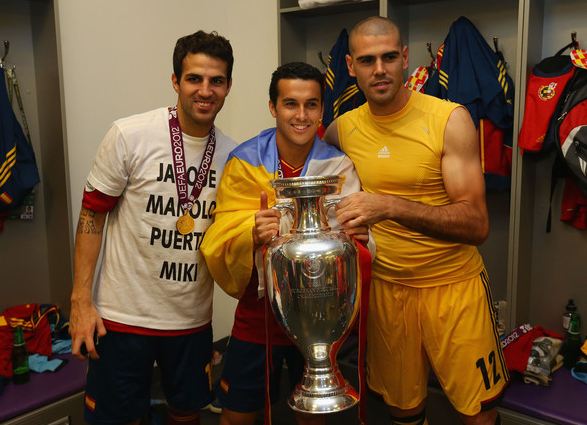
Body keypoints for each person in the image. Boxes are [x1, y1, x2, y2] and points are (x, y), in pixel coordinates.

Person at [324, 17, 509, 425]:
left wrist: (390, 206)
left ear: (405, 58)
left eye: (389, 57)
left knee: (478, 413)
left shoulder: (448, 118)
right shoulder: (342, 130)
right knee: (403, 410)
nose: (380, 69)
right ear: (350, 66)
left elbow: (476, 224)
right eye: (367, 60)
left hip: (454, 289)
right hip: (388, 292)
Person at [69, 30, 236, 425]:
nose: (205, 90)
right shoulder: (130, 135)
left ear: (228, 86)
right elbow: (92, 215)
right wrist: (80, 302)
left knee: (187, 414)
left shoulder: (233, 155)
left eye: (216, 80)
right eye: (194, 78)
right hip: (123, 318)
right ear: (175, 81)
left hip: (191, 320)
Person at [200, 62, 372, 425]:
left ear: (322, 110)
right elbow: (218, 233)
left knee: (311, 413)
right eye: (291, 104)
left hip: (319, 313)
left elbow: (356, 240)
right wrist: (251, 230)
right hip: (259, 310)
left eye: (311, 105)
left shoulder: (337, 167)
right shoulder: (245, 161)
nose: (301, 115)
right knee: (236, 416)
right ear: (273, 107)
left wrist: (360, 234)